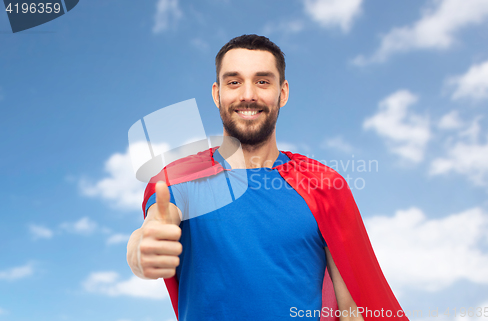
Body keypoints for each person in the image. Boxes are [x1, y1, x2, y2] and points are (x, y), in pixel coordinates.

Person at [127, 34, 408, 321]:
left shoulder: (323, 184)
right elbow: (153, 228)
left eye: (262, 81)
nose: (248, 94)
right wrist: (142, 251)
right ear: (217, 94)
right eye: (234, 82)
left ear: (282, 93)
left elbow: (352, 310)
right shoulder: (179, 179)